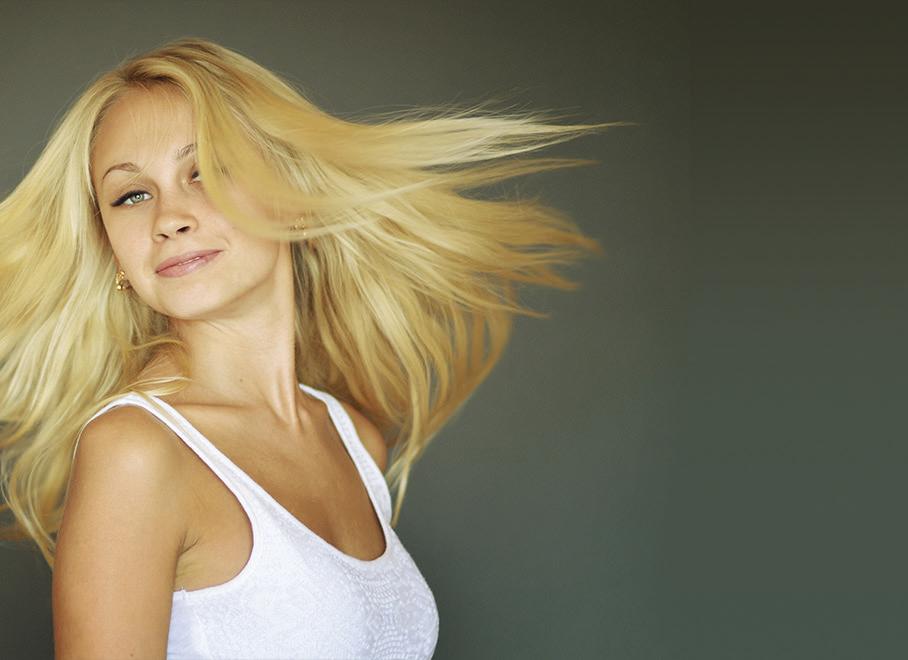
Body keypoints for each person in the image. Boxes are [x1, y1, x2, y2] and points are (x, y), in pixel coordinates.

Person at [0, 36, 619, 658]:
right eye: (131, 195)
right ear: (114, 252)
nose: (168, 217)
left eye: (206, 171)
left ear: (291, 202)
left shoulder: (353, 438)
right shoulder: (135, 452)